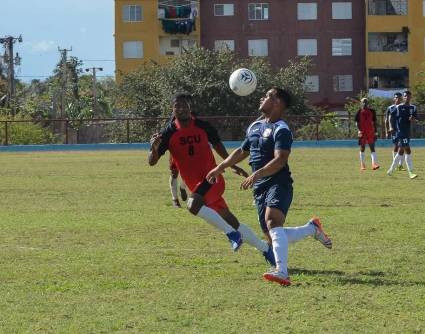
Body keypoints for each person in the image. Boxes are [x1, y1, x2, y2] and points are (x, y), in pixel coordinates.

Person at [207, 88, 332, 286]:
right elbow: (242, 151)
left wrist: (257, 173)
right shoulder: (255, 126)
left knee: (273, 222)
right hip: (260, 187)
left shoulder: (281, 129)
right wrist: (220, 167)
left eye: (268, 96)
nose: (262, 98)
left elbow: (280, 160)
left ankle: (282, 272)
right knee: (273, 235)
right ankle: (311, 229)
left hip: (278, 182)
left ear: (278, 103)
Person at [148, 92, 276, 266]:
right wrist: (154, 149)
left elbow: (218, 145)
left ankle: (231, 234)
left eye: (185, 105)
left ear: (190, 108)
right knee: (232, 221)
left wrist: (231, 165)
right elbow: (152, 162)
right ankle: (266, 249)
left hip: (212, 178)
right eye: (178, 105)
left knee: (193, 206)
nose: (182, 108)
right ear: (173, 109)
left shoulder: (203, 126)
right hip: (197, 186)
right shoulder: (168, 133)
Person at [387, 91, 418, 179]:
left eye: (408, 96)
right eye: (405, 96)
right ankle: (411, 172)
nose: (407, 97)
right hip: (400, 132)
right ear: (403, 97)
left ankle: (390, 170)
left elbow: (416, 120)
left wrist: (413, 120)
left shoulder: (413, 107)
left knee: (401, 151)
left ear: (411, 97)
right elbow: (390, 116)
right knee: (407, 150)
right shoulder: (398, 107)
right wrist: (391, 127)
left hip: (407, 132)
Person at [355, 98, 380, 171]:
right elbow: (356, 122)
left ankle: (374, 164)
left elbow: (374, 122)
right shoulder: (359, 111)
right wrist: (359, 130)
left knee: (372, 147)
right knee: (362, 148)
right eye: (363, 102)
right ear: (361, 103)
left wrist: (375, 132)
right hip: (362, 132)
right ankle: (362, 165)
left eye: (366, 102)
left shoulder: (372, 111)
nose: (365, 103)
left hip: (370, 132)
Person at [385, 92, 404, 171]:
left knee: (402, 146)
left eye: (399, 97)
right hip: (394, 130)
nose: (398, 99)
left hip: (402, 130)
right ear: (394, 99)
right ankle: (395, 164)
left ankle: (400, 165)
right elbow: (386, 120)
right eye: (396, 97)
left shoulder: (404, 107)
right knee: (396, 146)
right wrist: (387, 131)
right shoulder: (390, 108)